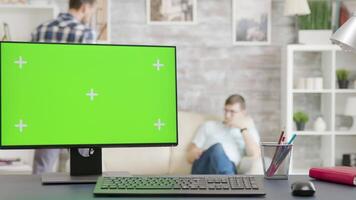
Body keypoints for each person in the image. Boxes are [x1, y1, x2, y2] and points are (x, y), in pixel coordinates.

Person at [31, 0, 97, 174]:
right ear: (85, 7)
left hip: (46, 107)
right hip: (75, 108)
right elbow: (88, 75)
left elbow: (32, 72)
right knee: (80, 171)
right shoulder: (85, 33)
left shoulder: (41, 29)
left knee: (42, 168)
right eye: (91, 10)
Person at [187, 94, 260, 175]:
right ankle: (230, 182)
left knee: (225, 163)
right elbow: (189, 157)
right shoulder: (209, 125)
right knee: (217, 148)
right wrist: (195, 153)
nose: (227, 115)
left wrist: (243, 129)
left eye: (232, 112)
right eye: (225, 110)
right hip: (204, 167)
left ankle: (227, 180)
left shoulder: (248, 131)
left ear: (243, 113)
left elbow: (255, 155)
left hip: (230, 167)